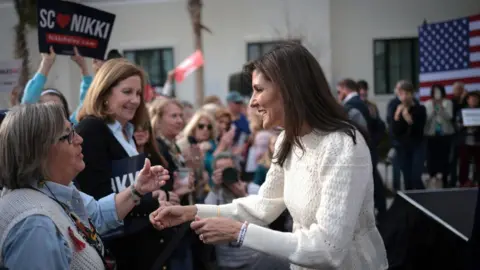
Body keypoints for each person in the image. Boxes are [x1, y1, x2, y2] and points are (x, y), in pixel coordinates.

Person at [150, 42, 388, 270]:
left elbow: (328, 249)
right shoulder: (287, 139)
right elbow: (263, 206)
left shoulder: (342, 145)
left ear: (288, 90)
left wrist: (239, 232)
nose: (252, 102)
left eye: (258, 90)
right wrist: (191, 212)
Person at [0, 103, 169, 269]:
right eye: (68, 135)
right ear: (40, 149)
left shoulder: (51, 190)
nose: (80, 139)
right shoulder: (36, 226)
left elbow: (95, 215)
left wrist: (137, 189)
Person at [75, 59, 175, 270]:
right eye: (127, 92)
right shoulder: (92, 130)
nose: (135, 100)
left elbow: (132, 185)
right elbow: (98, 197)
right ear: (104, 93)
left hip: (143, 247)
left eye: (138, 93)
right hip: (118, 252)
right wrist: (152, 203)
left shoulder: (127, 132)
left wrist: (158, 194)